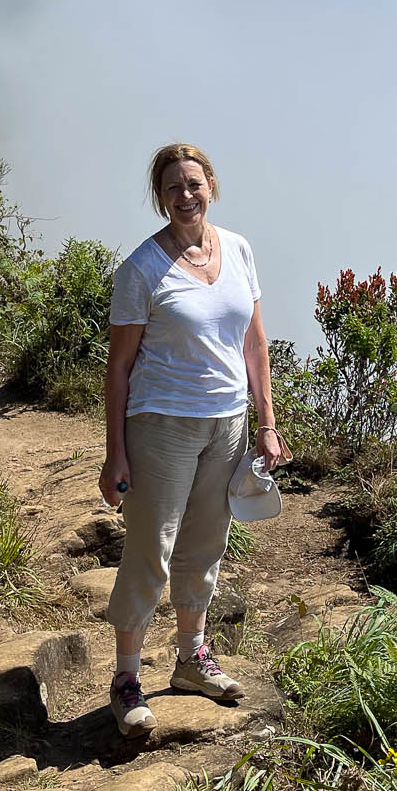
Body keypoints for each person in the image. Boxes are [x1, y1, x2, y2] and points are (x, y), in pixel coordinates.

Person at [98, 142, 288, 738]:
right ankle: (127, 678)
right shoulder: (140, 271)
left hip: (227, 423)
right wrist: (115, 453)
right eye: (173, 187)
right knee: (150, 547)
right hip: (160, 425)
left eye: (194, 183)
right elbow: (119, 369)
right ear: (159, 198)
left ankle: (191, 659)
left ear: (212, 187)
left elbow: (254, 344)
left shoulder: (238, 250)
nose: (186, 195)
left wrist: (266, 421)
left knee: (206, 543)